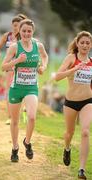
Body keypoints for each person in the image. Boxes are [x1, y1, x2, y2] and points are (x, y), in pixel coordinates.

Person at [2, 19, 48, 162]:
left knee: (32, 117)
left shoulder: (38, 46)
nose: (26, 33)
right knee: (15, 121)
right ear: (19, 32)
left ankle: (27, 142)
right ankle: (15, 148)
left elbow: (45, 57)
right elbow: (3, 67)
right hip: (16, 88)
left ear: (32, 32)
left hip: (31, 87)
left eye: (29, 31)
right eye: (24, 31)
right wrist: (17, 61)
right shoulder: (14, 47)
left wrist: (43, 67)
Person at [54, 31, 92, 179]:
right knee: (69, 133)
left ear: (90, 45)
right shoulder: (71, 58)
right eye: (82, 42)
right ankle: (67, 148)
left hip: (88, 101)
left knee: (85, 132)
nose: (84, 45)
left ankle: (81, 169)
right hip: (70, 102)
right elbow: (57, 77)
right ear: (77, 43)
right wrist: (74, 69)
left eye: (87, 43)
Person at [0, 14, 27, 124]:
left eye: (18, 25)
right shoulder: (7, 35)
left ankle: (24, 109)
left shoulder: (24, 37)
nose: (16, 28)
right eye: (14, 25)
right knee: (8, 90)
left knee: (21, 89)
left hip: (21, 67)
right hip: (9, 66)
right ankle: (9, 116)